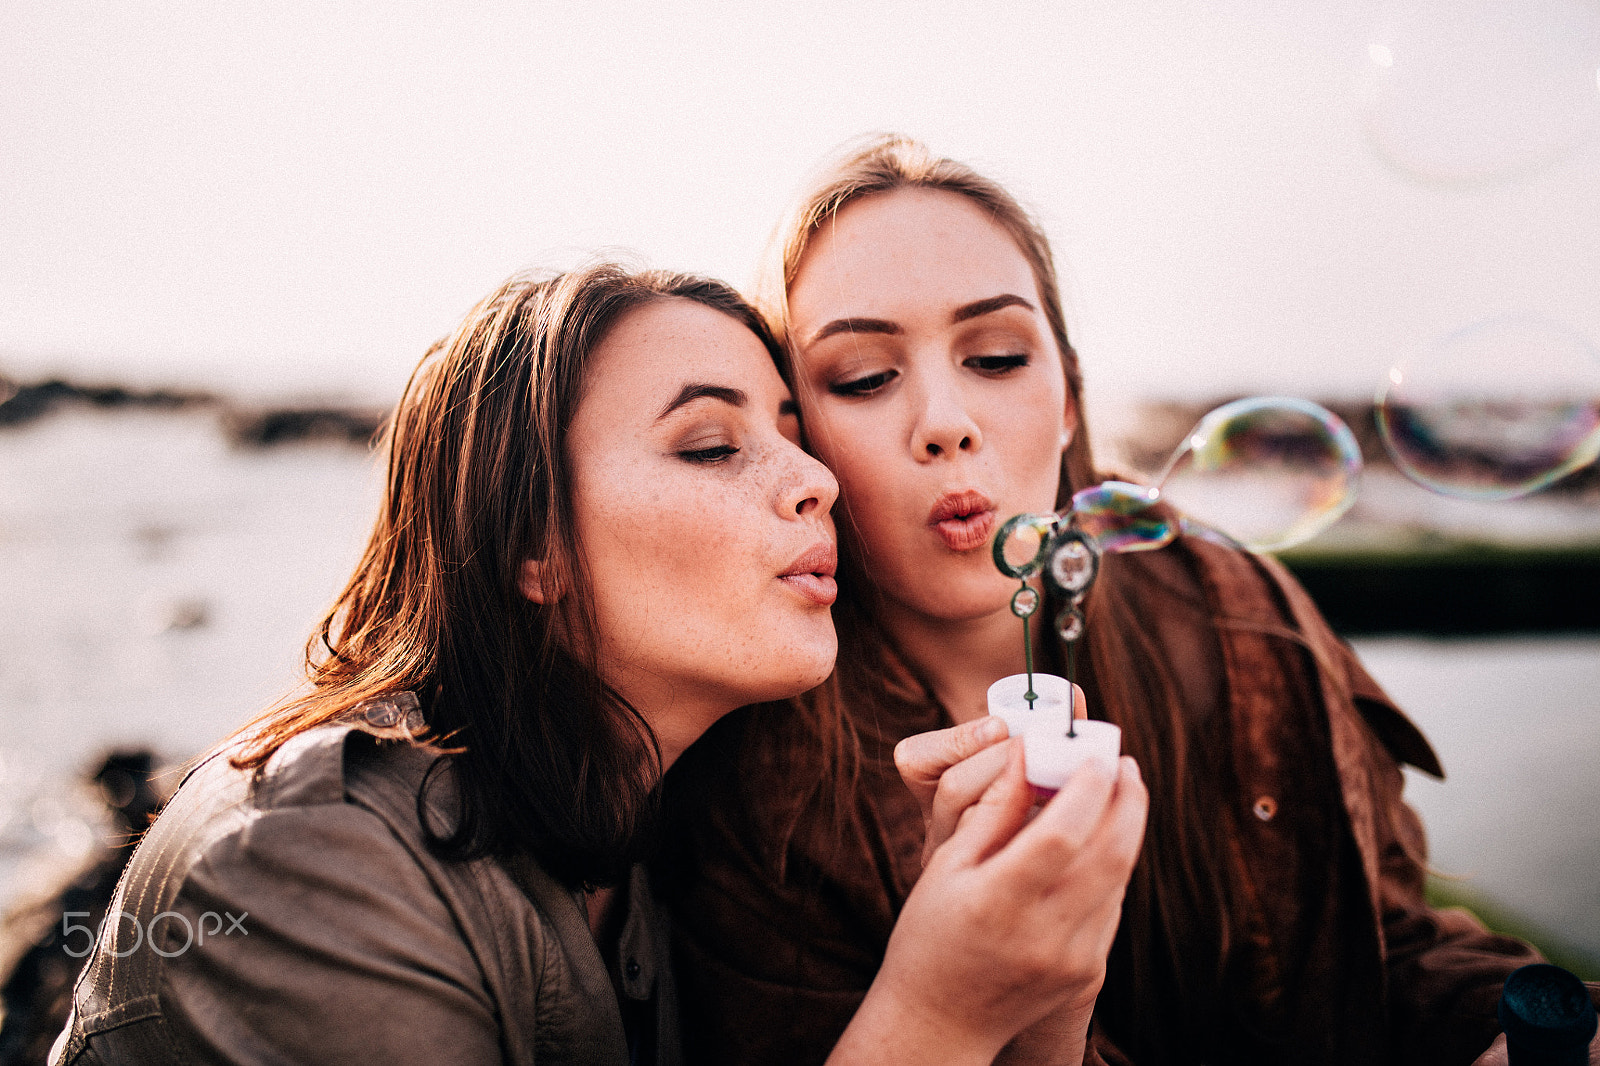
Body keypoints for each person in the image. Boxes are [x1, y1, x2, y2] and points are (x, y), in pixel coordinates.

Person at [50, 262, 1145, 1066]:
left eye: (789, 429)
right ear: (533, 543)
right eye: (713, 445)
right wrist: (939, 1010)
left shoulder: (669, 854)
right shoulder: (304, 862)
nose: (815, 476)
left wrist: (1041, 995)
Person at [659, 136, 1599, 1066]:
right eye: (863, 377)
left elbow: (1385, 948)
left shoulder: (1233, 611)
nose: (946, 423)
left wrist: (1500, 1029)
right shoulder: (757, 765)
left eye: (995, 357)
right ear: (795, 435)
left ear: (1070, 398)